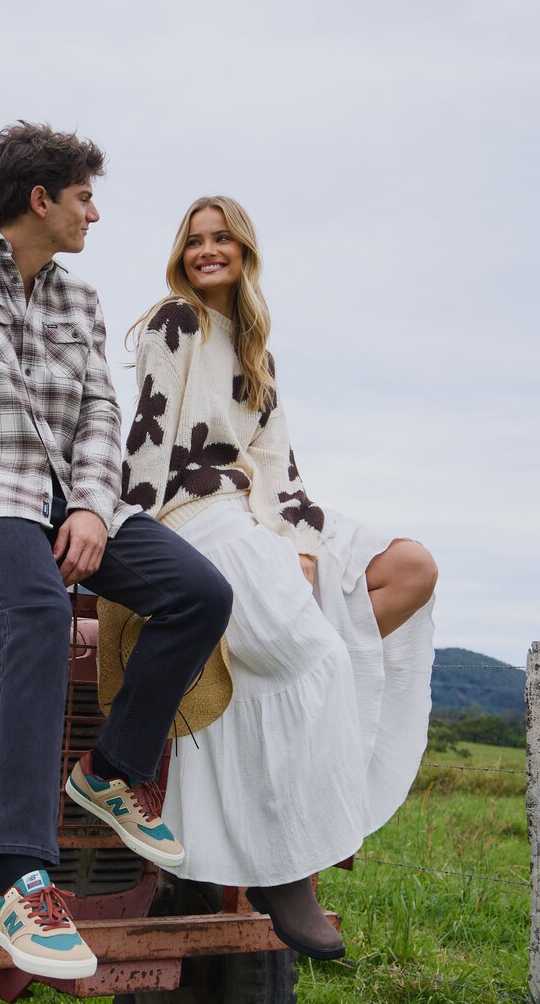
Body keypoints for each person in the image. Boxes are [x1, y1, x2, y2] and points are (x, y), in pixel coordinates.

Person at [0, 126, 232, 981]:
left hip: (73, 502)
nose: (93, 214)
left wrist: (98, 511)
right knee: (34, 610)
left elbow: (101, 417)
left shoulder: (80, 299)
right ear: (41, 200)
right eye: (83, 198)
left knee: (198, 592)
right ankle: (18, 876)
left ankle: (110, 770)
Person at [122, 196, 437, 960]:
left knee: (411, 568)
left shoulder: (257, 349)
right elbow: (149, 433)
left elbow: (278, 468)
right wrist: (125, 535)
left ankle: (293, 807)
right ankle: (285, 865)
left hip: (257, 511)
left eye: (221, 237)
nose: (207, 250)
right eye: (194, 240)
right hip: (192, 512)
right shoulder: (176, 322)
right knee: (315, 656)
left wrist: (296, 541)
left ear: (244, 250)